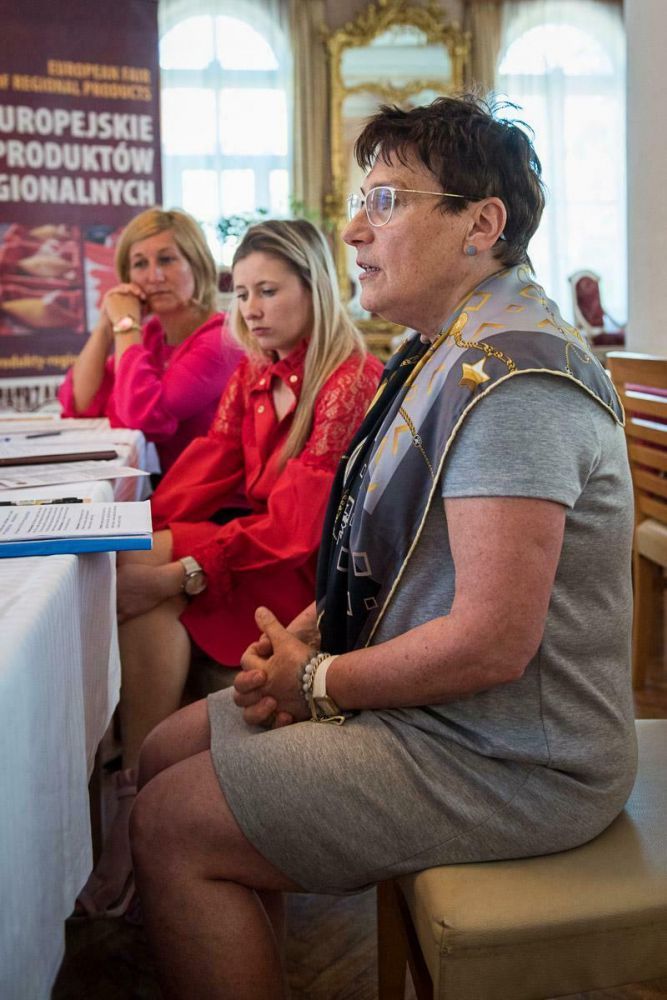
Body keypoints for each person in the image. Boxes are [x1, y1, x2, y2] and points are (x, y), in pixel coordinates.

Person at [129, 96, 636, 999]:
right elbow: (388, 544)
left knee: (170, 821)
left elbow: (491, 643)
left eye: (387, 201)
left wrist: (318, 683)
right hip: (437, 712)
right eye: (362, 200)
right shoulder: (442, 350)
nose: (354, 229)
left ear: (480, 224)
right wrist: (303, 637)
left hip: (512, 757)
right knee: (163, 753)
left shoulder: (514, 382)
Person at [75, 218, 383, 919]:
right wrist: (138, 534)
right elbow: (204, 471)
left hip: (304, 579)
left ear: (315, 287)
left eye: (268, 291)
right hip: (257, 549)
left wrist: (181, 568)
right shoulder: (255, 368)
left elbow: (298, 532)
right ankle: (134, 788)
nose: (250, 309)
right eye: (241, 293)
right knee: (125, 565)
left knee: (150, 588)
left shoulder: (346, 380)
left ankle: (131, 802)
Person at [58, 207, 243, 472]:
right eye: (140, 264)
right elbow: (80, 403)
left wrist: (126, 324)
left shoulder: (222, 340)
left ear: (197, 265)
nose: (154, 276)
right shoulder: (151, 335)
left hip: (212, 494)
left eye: (166, 260)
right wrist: (105, 326)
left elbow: (143, 417)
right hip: (166, 484)